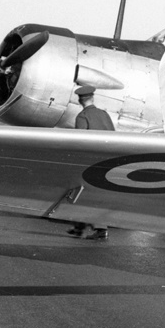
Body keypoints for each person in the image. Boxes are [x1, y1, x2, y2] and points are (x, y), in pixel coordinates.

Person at [69, 86, 113, 239]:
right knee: (97, 195)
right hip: (108, 160)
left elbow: (81, 143)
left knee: (88, 195)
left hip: (91, 162)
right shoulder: (104, 114)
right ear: (92, 98)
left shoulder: (82, 117)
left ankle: (100, 229)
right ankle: (83, 227)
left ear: (80, 100)